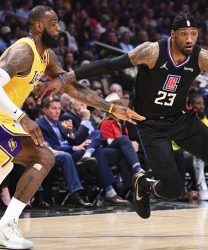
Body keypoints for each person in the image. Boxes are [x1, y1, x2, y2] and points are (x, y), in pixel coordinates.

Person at [36, 12, 208, 240]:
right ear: (173, 34)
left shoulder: (202, 57)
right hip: (150, 125)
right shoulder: (152, 51)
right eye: (184, 34)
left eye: (193, 34)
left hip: (182, 119)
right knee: (174, 191)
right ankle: (143, 184)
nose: (189, 40)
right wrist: (65, 78)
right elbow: (108, 64)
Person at [0, 5, 144, 249]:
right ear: (37, 26)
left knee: (18, 166)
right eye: (53, 23)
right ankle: (6, 227)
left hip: (8, 119)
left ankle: (6, 226)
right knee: (43, 157)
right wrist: (22, 116)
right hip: (6, 118)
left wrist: (111, 108)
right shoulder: (24, 52)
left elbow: (73, 88)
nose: (59, 29)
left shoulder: (46, 56)